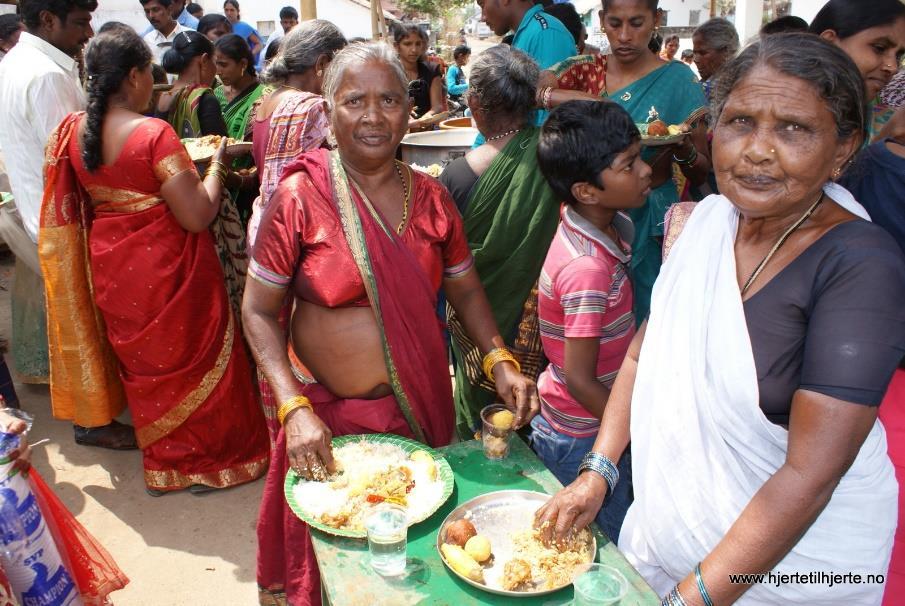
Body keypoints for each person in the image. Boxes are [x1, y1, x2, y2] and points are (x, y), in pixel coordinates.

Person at [537, 33, 905, 605]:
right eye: (739, 123)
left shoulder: (860, 265)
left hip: (799, 568)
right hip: (684, 546)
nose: (757, 150)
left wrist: (690, 601)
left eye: (793, 128)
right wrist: (598, 471)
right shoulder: (709, 224)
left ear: (844, 147)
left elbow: (808, 478)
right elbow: (642, 354)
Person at [245, 41, 538, 605]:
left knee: (412, 565)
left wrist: (499, 358)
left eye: (389, 100)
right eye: (355, 100)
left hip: (415, 409)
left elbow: (466, 289)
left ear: (411, 111)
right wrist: (292, 407)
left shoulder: (431, 198)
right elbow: (257, 310)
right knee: (336, 568)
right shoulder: (300, 197)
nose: (374, 116)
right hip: (325, 425)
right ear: (327, 112)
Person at [41, 28, 270, 495]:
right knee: (196, 360)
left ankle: (166, 464)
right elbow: (197, 214)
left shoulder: (74, 130)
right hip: (170, 269)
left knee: (149, 368)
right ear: (134, 75)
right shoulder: (152, 133)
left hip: (113, 265)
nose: (154, 82)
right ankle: (214, 463)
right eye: (150, 72)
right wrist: (218, 166)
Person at [0, 0, 138, 448]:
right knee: (82, 323)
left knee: (72, 319)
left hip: (42, 213)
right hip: (63, 218)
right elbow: (78, 156)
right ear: (47, 20)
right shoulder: (46, 76)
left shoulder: (18, 60)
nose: (87, 33)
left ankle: (94, 414)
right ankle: (93, 422)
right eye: (80, 23)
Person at [541, 0, 711, 323]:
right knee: (592, 317)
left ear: (656, 19)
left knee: (653, 320)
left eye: (636, 23)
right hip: (591, 219)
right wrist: (589, 103)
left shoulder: (678, 80)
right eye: (615, 23)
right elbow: (536, 90)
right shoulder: (584, 70)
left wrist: (681, 146)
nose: (624, 36)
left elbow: (702, 169)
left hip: (653, 218)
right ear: (602, 20)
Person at [531, 100, 647, 541]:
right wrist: (629, 436)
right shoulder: (587, 268)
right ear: (586, 191)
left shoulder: (601, 224)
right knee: (603, 543)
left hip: (591, 420)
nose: (643, 171)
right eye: (628, 164)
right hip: (582, 434)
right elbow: (579, 378)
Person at [440, 46, 557, 440]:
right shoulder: (555, 153)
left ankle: (480, 436)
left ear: (473, 102)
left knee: (483, 408)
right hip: (541, 318)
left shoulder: (456, 175)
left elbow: (450, 263)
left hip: (478, 317)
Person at [156, 30, 248, 316]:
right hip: (204, 195)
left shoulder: (164, 98)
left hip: (171, 198)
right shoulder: (204, 98)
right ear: (204, 61)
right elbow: (218, 146)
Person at [810, 0, 905, 143]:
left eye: (898, 56)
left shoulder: (895, 127)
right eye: (879, 48)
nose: (893, 67)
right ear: (828, 43)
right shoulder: (774, 111)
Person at [213, 33, 264, 225]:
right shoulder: (216, 94)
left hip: (248, 181)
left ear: (243, 64)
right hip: (215, 178)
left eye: (224, 65)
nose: (218, 71)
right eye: (216, 64)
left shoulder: (264, 95)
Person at [477, 0, 575, 70]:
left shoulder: (545, 32)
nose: (482, 18)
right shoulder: (528, 33)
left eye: (482, 4)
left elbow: (550, 95)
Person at [392, 24, 445, 128]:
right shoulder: (389, 73)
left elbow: (437, 106)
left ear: (423, 45)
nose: (414, 50)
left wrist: (421, 122)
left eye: (418, 44)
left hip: (425, 131)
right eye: (407, 44)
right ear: (396, 46)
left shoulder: (432, 70)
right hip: (396, 130)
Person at [692, 17, 739, 101]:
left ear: (726, 51)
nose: (695, 60)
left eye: (703, 53)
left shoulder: (739, 88)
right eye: (694, 53)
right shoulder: (704, 86)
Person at [140, 0, 189, 65]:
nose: (151, 16)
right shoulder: (147, 40)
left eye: (156, 10)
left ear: (169, 9)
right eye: (147, 11)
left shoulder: (189, 36)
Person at [258, 6, 298, 72]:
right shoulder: (275, 35)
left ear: (297, 22)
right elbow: (264, 56)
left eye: (291, 22)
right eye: (285, 22)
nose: (288, 25)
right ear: (281, 23)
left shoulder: (302, 35)